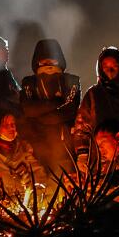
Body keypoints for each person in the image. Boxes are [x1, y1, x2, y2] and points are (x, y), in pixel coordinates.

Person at [18, 38, 81, 173]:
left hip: (64, 147)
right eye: (44, 61)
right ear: (37, 61)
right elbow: (28, 109)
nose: (48, 65)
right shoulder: (29, 82)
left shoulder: (71, 81)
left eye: (52, 60)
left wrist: (40, 116)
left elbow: (70, 110)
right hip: (37, 146)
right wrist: (56, 102)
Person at [0, 108, 40, 203]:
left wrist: (44, 189)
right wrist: (28, 193)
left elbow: (36, 169)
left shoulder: (20, 145)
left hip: (23, 197)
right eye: (6, 125)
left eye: (13, 123)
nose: (12, 127)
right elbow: (2, 180)